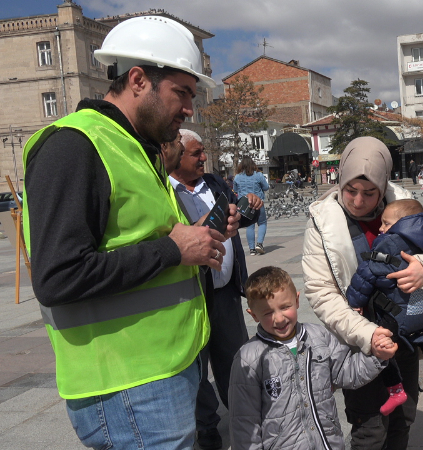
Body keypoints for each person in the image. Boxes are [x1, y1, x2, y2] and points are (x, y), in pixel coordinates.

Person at [22, 16, 242, 449]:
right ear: (138, 80)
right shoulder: (75, 145)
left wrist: (195, 239)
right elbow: (57, 276)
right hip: (127, 388)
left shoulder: (135, 149)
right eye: (181, 93)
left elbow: (138, 242)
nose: (188, 109)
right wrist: (172, 251)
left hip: (160, 375)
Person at [302, 136, 423, 449]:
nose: (358, 201)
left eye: (369, 193)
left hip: (406, 335)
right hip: (359, 343)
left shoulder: (404, 204)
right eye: (350, 190)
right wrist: (368, 335)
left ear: (383, 185)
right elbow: (322, 294)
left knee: (403, 418)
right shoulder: (322, 222)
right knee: (369, 430)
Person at [228, 266, 393, 450]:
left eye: (285, 307)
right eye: (268, 313)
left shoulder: (319, 336)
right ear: (253, 315)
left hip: (327, 444)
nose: (279, 318)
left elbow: (346, 372)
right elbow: (244, 423)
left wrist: (377, 357)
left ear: (297, 300)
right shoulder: (249, 358)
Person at [169, 129, 260, 450]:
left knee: (235, 359)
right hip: (192, 295)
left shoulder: (215, 184)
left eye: (203, 151)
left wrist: (251, 209)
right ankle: (207, 426)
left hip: (225, 294)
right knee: (196, 366)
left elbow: (236, 218)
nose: (204, 158)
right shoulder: (166, 191)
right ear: (176, 155)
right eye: (196, 153)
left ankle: (243, 415)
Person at [346, 199, 423, 416]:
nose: (381, 228)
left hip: (395, 315)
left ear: (403, 223)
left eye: (386, 223)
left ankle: (396, 390)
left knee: (385, 349)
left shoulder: (389, 244)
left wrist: (354, 302)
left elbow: (367, 273)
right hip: (419, 311)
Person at [234, 156, 270, 255]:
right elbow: (266, 187)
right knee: (262, 223)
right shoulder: (258, 175)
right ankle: (259, 244)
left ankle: (252, 249)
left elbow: (236, 190)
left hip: (244, 204)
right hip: (258, 202)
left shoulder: (237, 177)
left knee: (249, 225)